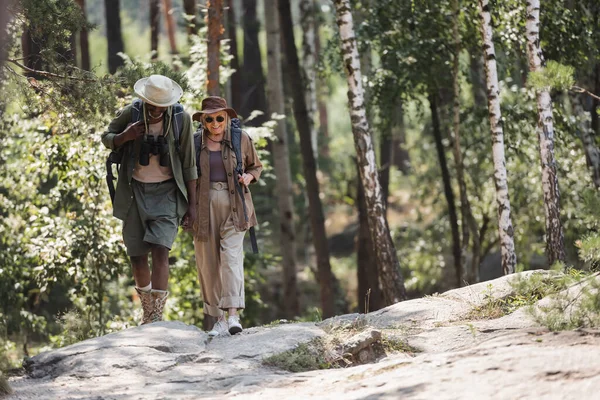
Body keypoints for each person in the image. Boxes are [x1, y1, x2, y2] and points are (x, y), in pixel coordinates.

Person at [101, 75, 197, 325]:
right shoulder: (131, 113)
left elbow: (189, 163)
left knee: (161, 251)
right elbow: (107, 137)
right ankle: (147, 309)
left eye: (161, 105)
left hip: (167, 192)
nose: (156, 110)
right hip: (134, 192)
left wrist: (192, 207)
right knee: (136, 255)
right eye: (152, 105)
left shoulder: (180, 119)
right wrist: (126, 136)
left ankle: (157, 315)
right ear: (144, 100)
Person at [191, 96, 263, 336]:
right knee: (208, 263)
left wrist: (249, 177)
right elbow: (184, 177)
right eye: (209, 119)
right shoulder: (194, 143)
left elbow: (256, 166)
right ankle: (218, 319)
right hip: (203, 206)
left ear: (227, 117)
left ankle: (233, 316)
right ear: (202, 120)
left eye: (219, 118)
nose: (215, 123)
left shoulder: (240, 138)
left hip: (236, 204)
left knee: (231, 258)